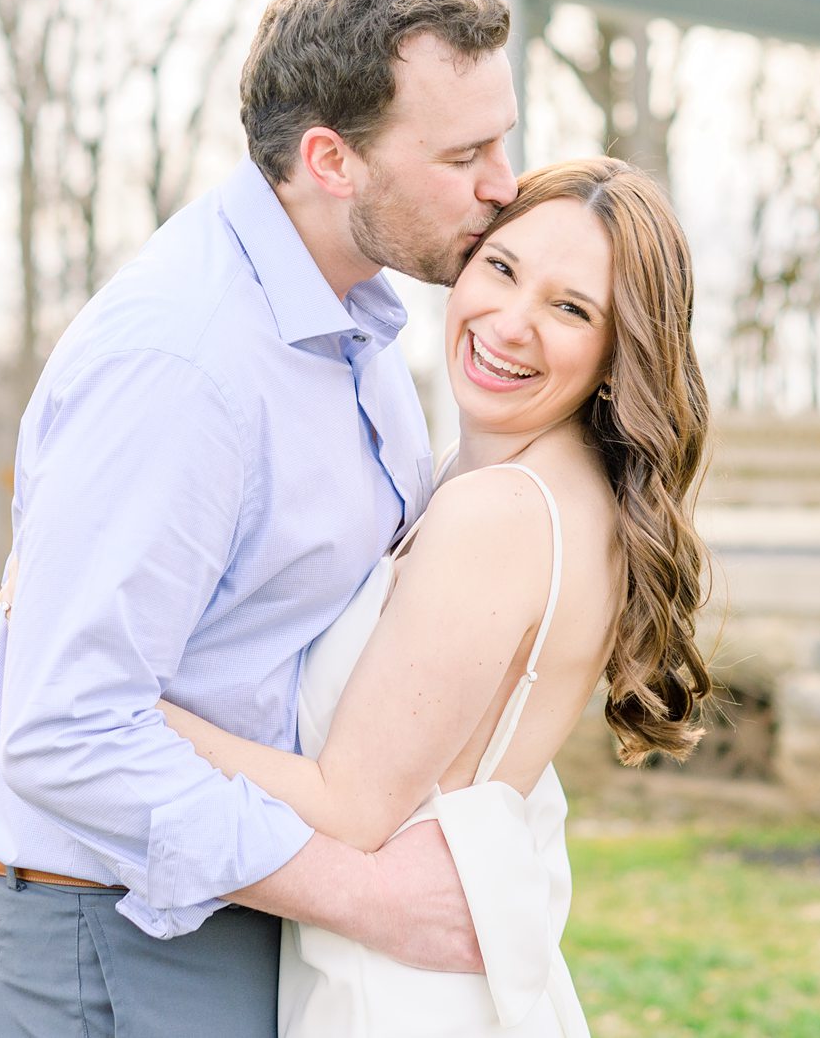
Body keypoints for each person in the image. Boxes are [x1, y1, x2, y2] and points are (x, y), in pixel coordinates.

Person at [0, 0, 521, 1038]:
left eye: (503, 141)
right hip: (100, 941)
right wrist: (373, 897)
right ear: (330, 160)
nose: (503, 184)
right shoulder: (186, 361)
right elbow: (66, 729)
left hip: (230, 909)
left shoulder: (362, 330)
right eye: (464, 154)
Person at [161, 157, 714, 1036]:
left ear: (618, 356)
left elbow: (352, 805)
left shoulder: (499, 511)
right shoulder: (541, 486)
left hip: (398, 997)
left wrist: (124, 703)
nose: (512, 322)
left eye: (571, 308)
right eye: (502, 268)